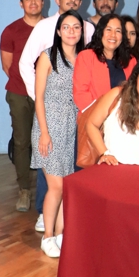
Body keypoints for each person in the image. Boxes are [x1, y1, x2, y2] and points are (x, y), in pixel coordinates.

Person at [31, 13, 85, 258]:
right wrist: (43, 132)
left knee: (68, 186)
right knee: (57, 186)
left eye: (76, 27)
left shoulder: (84, 57)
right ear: (59, 31)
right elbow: (38, 97)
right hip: (49, 127)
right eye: (67, 27)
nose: (72, 31)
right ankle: (48, 235)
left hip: (71, 129)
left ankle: (61, 234)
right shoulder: (48, 56)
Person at [1, 0, 43, 211]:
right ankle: (24, 190)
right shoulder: (11, 30)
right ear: (21, 3)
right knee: (21, 141)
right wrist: (26, 86)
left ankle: (49, 188)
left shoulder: (51, 28)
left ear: (44, 2)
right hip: (18, 93)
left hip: (46, 95)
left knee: (46, 141)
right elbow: (7, 66)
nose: (33, 2)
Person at [18, 0, 95, 100]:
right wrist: (38, 95)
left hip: (80, 97)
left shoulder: (88, 28)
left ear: (80, 2)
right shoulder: (44, 26)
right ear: (57, 0)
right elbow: (25, 63)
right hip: (51, 97)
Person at [73, 14, 134, 110]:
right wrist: (102, 115)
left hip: (123, 119)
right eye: (108, 29)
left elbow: (135, 93)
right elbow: (81, 94)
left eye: (118, 31)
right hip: (93, 119)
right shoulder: (86, 57)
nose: (113, 35)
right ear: (100, 32)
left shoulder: (131, 61)